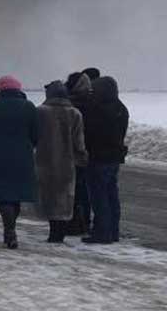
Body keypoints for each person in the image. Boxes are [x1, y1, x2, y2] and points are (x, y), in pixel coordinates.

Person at [0, 75, 38, 249]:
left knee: (3, 193)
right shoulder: (29, 107)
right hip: (22, 154)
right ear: (19, 89)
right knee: (16, 193)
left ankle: (9, 229)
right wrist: (28, 146)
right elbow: (36, 134)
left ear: (1, 89)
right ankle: (10, 229)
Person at [35, 81, 87, 243]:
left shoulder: (40, 112)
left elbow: (34, 136)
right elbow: (79, 141)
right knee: (64, 199)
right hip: (67, 163)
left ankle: (53, 232)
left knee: (48, 196)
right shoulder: (74, 113)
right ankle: (59, 234)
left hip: (44, 161)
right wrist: (82, 157)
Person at [83, 76, 129, 244]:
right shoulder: (121, 108)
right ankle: (113, 231)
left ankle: (102, 233)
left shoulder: (97, 109)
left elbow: (89, 133)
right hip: (114, 157)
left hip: (98, 157)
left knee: (99, 197)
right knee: (111, 195)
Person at [65, 72, 93, 235]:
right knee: (84, 190)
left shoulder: (72, 105)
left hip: (72, 152)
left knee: (73, 190)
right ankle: (85, 222)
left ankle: (73, 223)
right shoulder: (93, 102)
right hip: (87, 151)